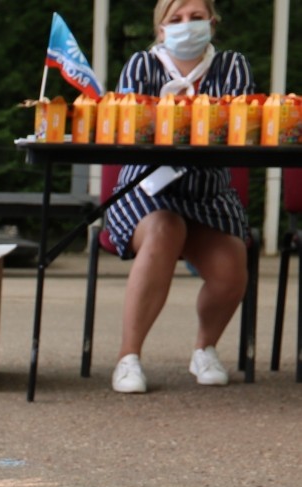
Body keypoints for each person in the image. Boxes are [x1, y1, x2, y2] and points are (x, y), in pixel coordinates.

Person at [106, 0, 253, 394]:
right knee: (164, 229)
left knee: (232, 266)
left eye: (196, 18)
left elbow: (232, 130)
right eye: (176, 19)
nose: (186, 26)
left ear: (212, 23)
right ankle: (128, 358)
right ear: (160, 30)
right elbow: (129, 132)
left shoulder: (232, 66)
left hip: (208, 192)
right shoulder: (141, 65)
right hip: (147, 189)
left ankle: (205, 348)